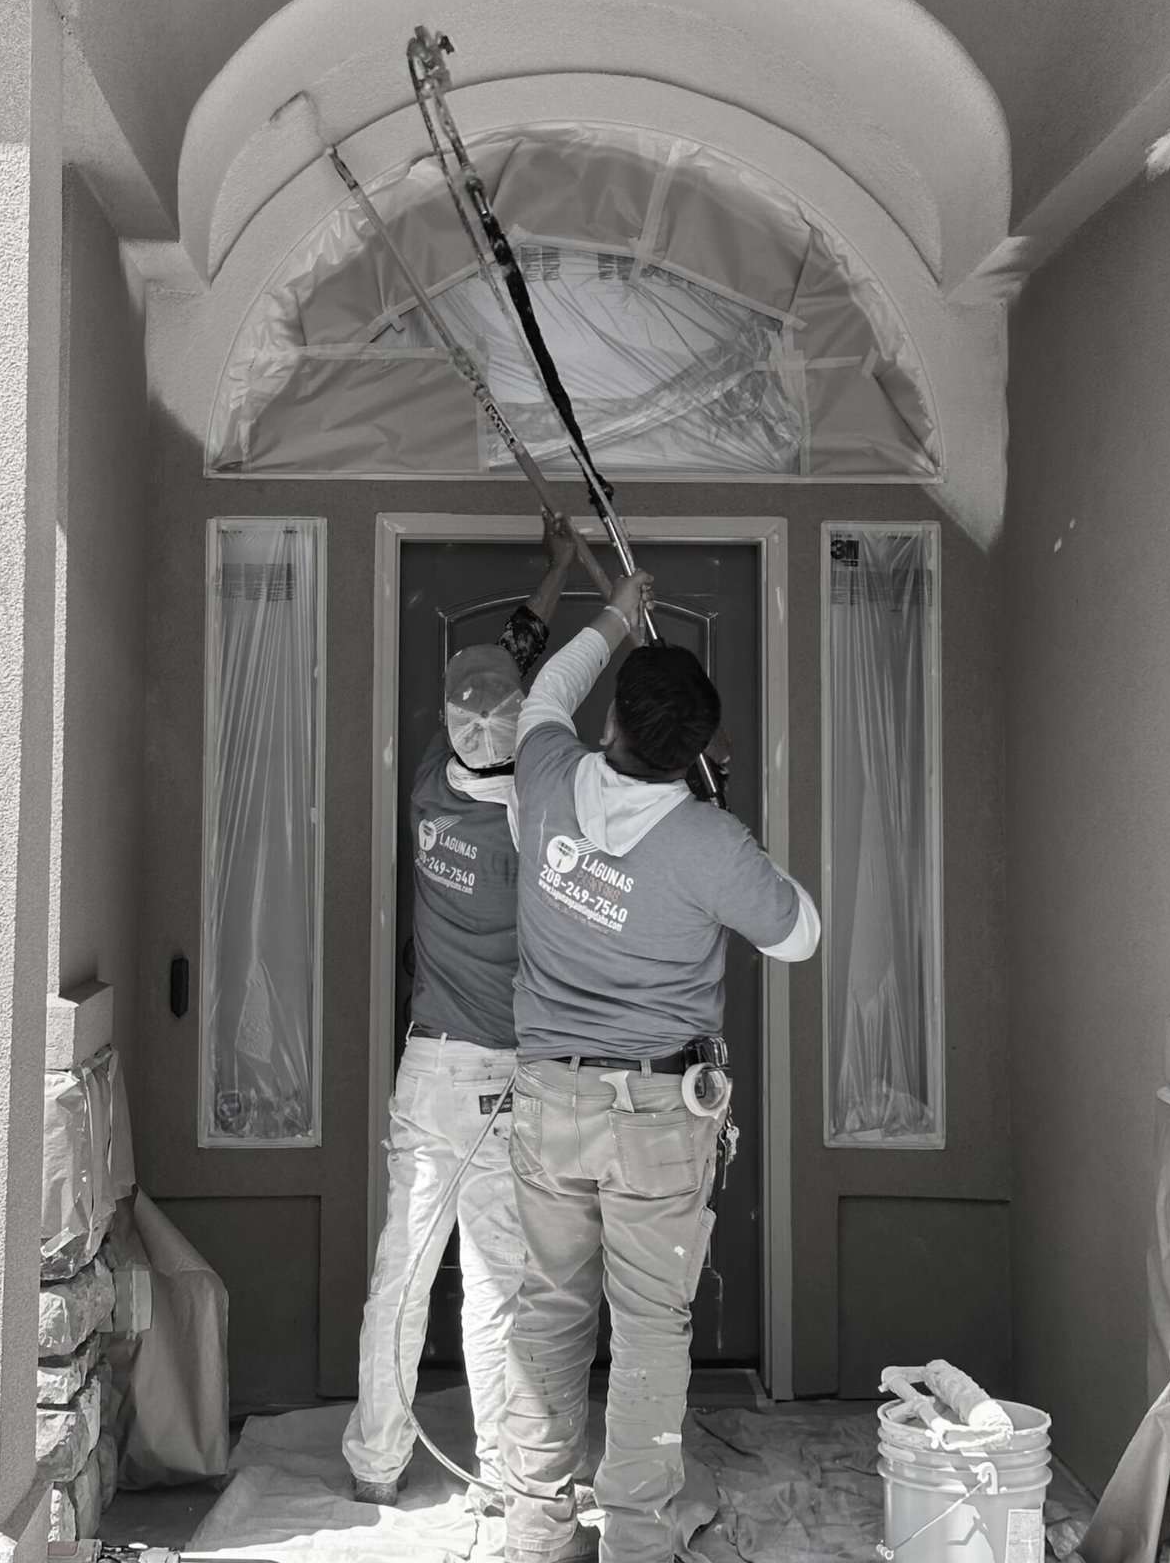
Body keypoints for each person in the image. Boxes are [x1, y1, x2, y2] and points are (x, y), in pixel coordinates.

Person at [498, 570, 820, 1563]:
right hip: (656, 1113)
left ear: (612, 724)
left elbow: (547, 691)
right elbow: (800, 934)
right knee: (648, 1328)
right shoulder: (710, 842)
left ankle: (538, 1527)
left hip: (550, 1095)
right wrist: (725, 819)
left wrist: (615, 613)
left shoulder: (546, 771)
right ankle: (637, 1539)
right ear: (696, 754)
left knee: (550, 1309)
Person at [343, 512, 578, 1513]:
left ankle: (376, 1461)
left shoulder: (428, 784)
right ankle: (498, 1471)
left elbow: (503, 668)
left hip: (429, 1070)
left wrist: (551, 575)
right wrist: (575, 577)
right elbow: (520, 679)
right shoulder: (534, 822)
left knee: (401, 1270)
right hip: (500, 1079)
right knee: (495, 1282)